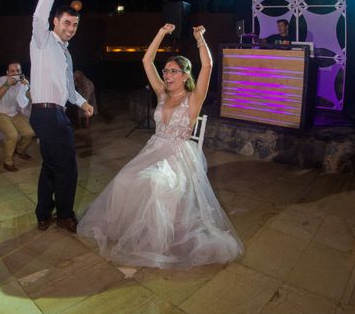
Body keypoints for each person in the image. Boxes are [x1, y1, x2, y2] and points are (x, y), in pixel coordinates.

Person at [77, 24, 244, 269]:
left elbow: (207, 66)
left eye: (174, 71)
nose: (167, 75)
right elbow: (147, 60)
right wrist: (161, 33)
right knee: (124, 179)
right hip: (153, 149)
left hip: (177, 156)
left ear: (186, 75)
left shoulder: (194, 98)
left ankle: (158, 241)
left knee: (156, 183)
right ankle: (128, 227)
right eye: (166, 71)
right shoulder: (161, 93)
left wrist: (200, 39)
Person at [29, 0, 93, 233]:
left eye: (75, 24)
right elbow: (38, 15)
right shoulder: (42, 41)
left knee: (51, 165)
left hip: (55, 112)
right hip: (46, 113)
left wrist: (82, 102)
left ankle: (44, 214)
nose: (71, 27)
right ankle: (64, 215)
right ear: (55, 22)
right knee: (67, 167)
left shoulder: (65, 53)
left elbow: (67, 89)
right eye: (66, 22)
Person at [0, 62, 34, 172]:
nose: (15, 73)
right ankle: (7, 162)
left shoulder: (21, 83)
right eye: (12, 71)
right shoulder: (1, 80)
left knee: (30, 132)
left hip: (13, 112)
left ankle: (19, 150)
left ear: (21, 72)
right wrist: (7, 85)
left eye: (18, 70)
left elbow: (33, 99)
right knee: (12, 135)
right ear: (7, 73)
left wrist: (28, 87)